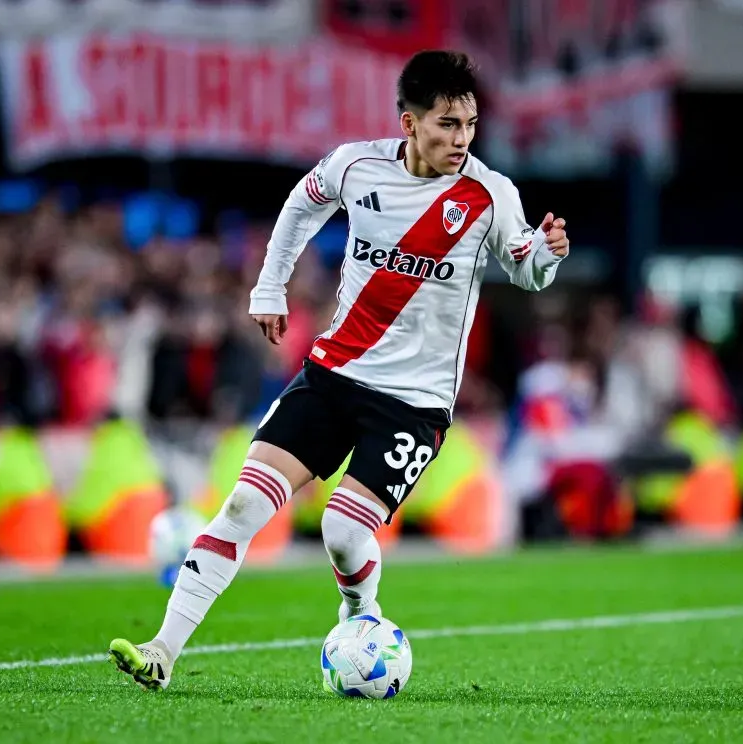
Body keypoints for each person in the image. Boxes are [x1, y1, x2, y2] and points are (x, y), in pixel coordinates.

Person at [109, 49, 571, 690]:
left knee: (343, 532)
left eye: (468, 124)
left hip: (414, 402)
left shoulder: (490, 194)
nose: (460, 139)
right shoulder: (356, 165)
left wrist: (547, 255)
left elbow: (525, 268)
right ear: (408, 122)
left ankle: (361, 617)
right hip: (333, 373)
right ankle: (161, 651)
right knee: (243, 504)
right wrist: (270, 289)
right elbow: (301, 204)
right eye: (445, 124)